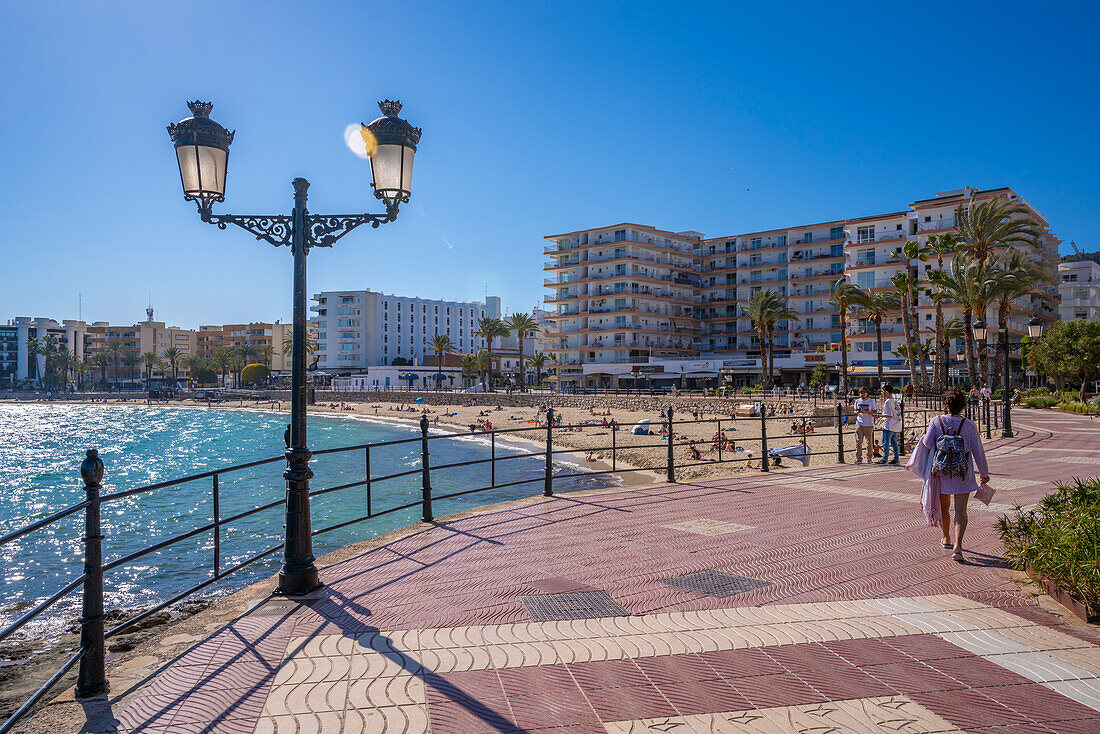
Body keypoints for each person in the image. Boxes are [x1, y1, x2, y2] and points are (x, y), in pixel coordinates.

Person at [906, 387, 990, 563]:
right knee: (961, 511)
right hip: (963, 473)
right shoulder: (970, 426)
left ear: (946, 404)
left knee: (944, 508)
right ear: (964, 406)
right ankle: (958, 547)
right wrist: (984, 473)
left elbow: (928, 443)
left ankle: (946, 538)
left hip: (941, 473)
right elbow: (978, 451)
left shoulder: (936, 422)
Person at [853, 387, 878, 464]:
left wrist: (868, 412)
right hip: (859, 423)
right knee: (858, 441)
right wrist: (857, 412)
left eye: (863, 392)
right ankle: (858, 458)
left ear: (867, 393)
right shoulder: (857, 401)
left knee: (869, 442)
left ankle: (869, 457)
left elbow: (875, 411)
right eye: (860, 393)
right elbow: (855, 410)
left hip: (868, 424)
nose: (862, 394)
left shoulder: (871, 401)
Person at [877, 384, 901, 465]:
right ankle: (896, 459)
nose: (882, 393)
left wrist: (878, 415)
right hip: (896, 424)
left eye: (883, 391)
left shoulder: (887, 402)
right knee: (894, 443)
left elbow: (889, 415)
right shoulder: (894, 401)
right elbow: (898, 412)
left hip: (889, 425)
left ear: (886, 392)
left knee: (885, 443)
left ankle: (885, 459)